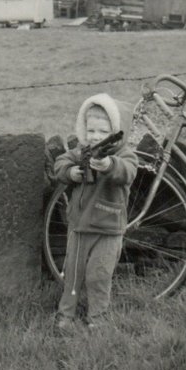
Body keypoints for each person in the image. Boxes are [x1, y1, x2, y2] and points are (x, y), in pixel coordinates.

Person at [54, 93, 139, 331]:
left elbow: (128, 171)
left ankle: (98, 318)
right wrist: (71, 173)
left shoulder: (124, 155)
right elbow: (60, 163)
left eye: (103, 132)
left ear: (115, 131)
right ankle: (66, 316)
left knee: (99, 276)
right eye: (91, 131)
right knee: (72, 274)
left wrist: (108, 165)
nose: (95, 137)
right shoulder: (81, 152)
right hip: (80, 226)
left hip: (110, 228)